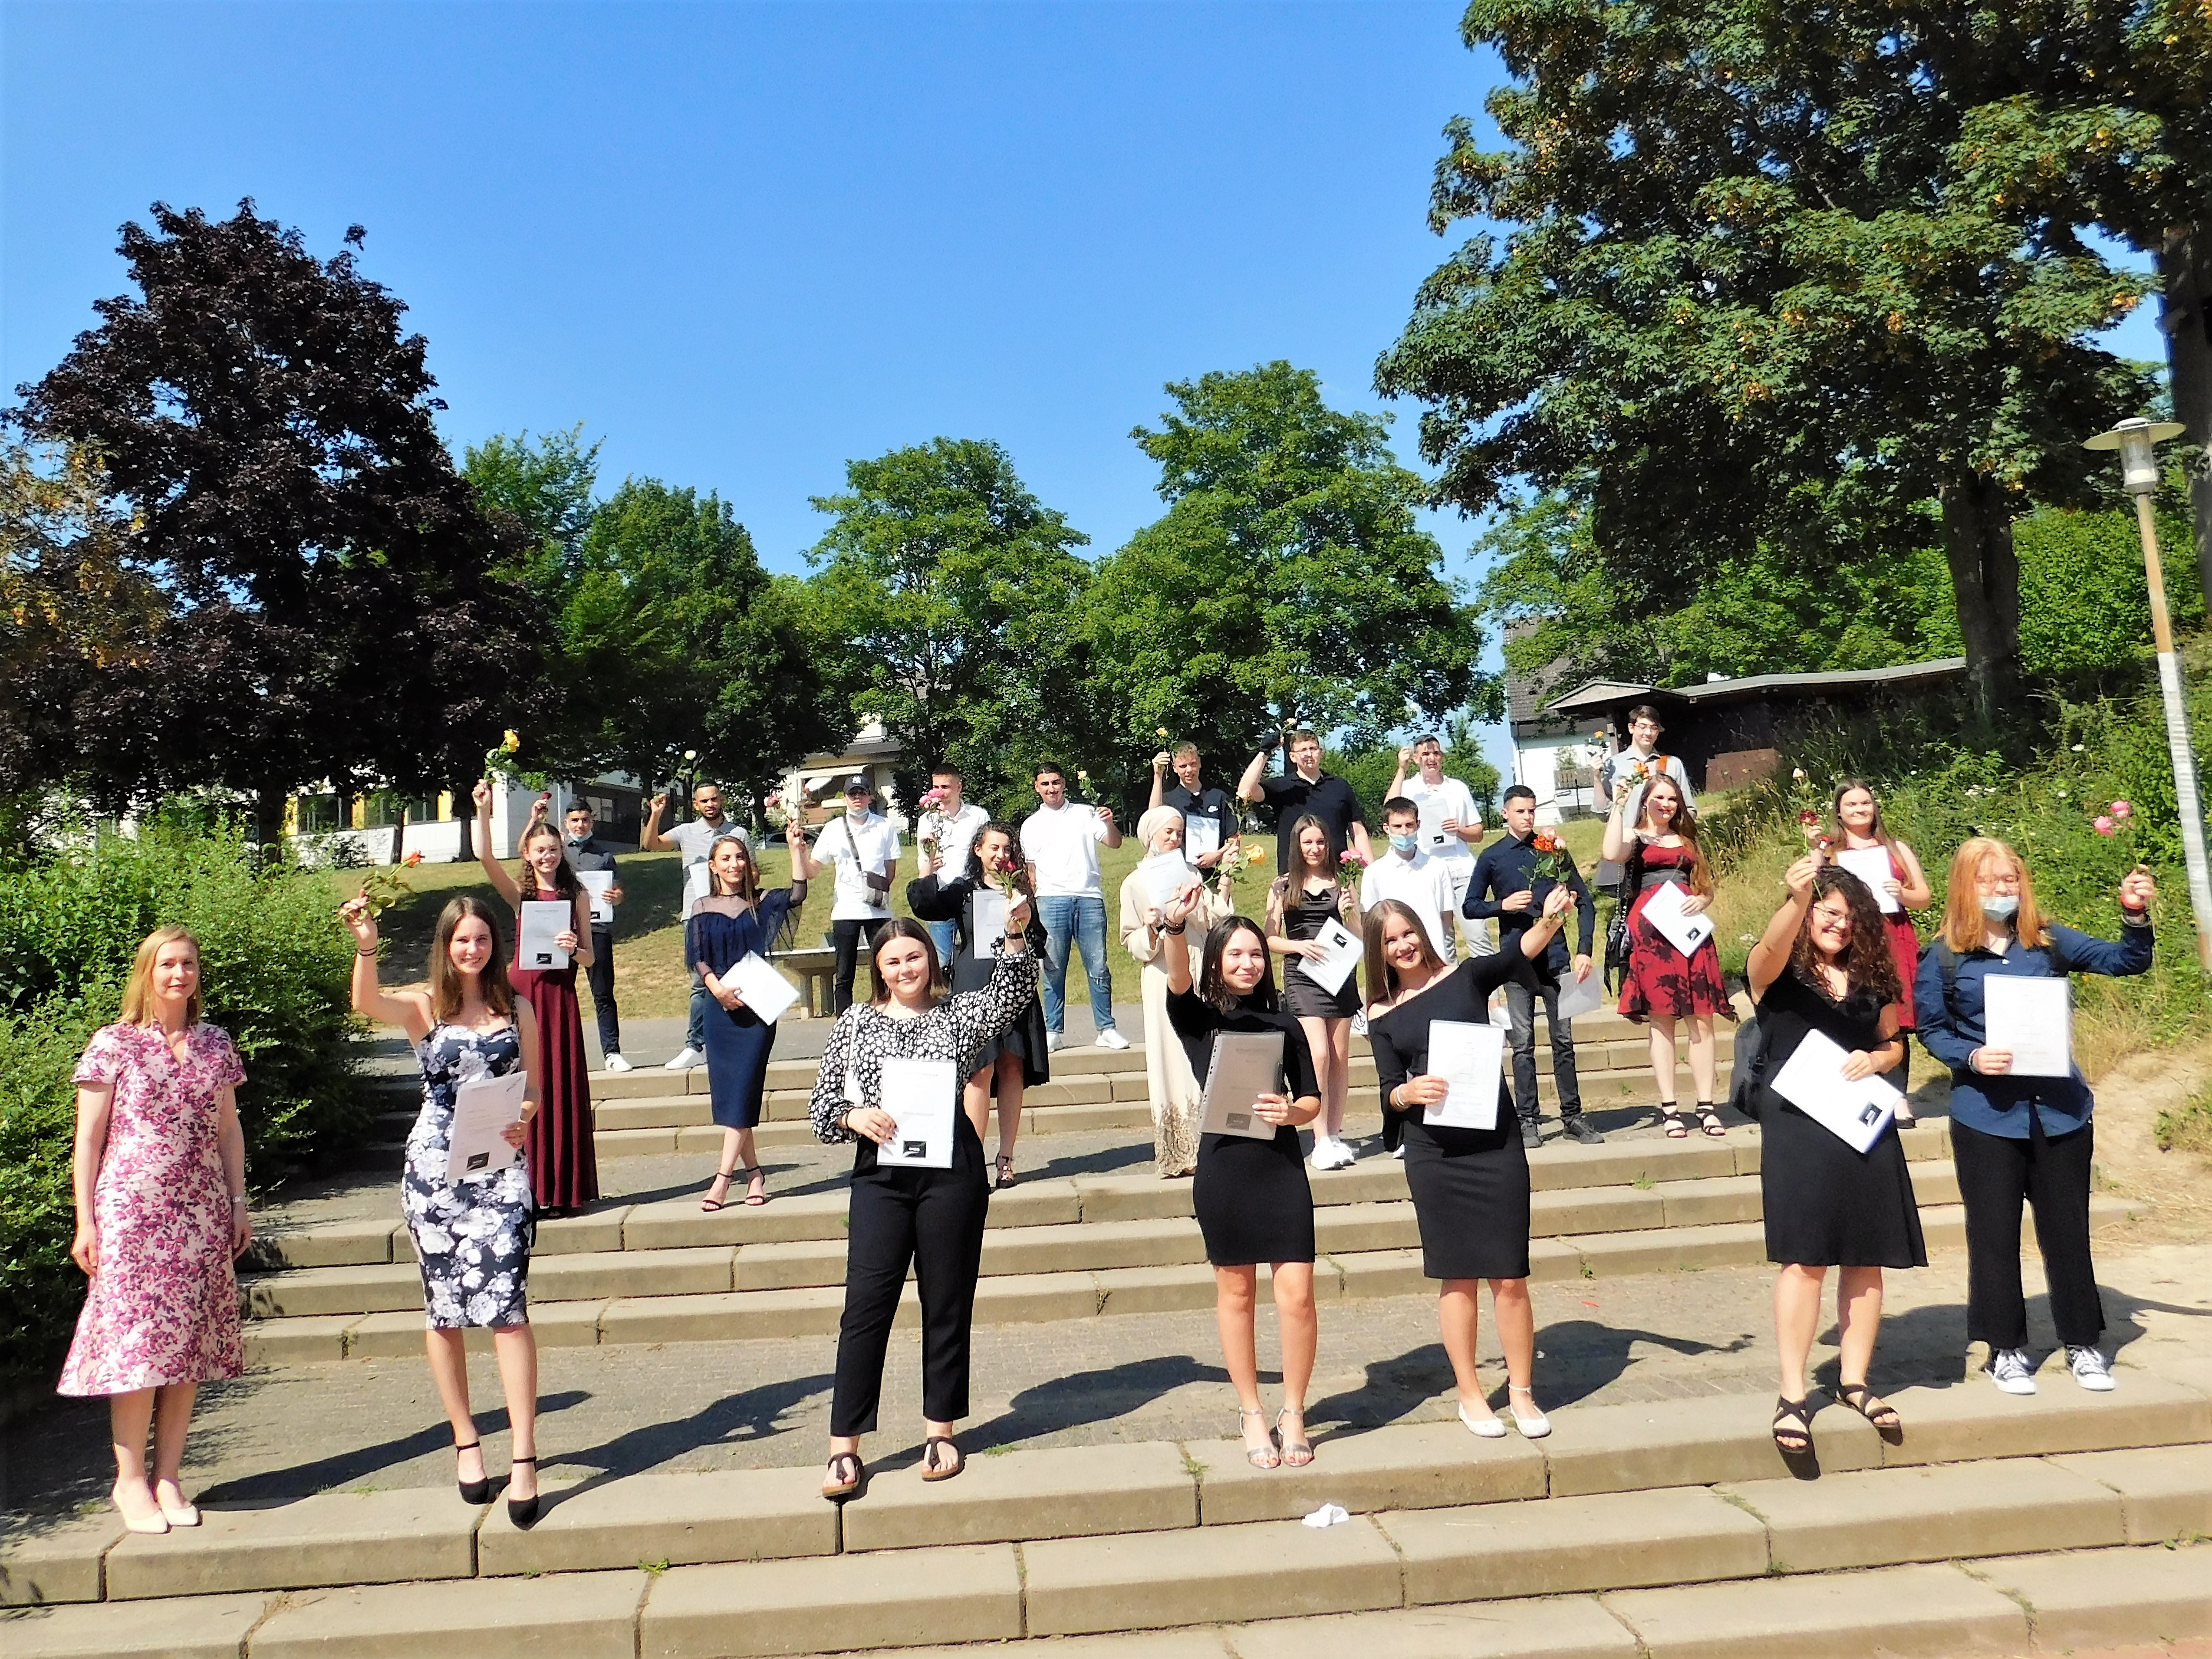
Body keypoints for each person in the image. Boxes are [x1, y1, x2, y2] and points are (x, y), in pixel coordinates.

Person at [809, 916, 1040, 1500]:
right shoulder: (856, 1022)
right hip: (881, 1175)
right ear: (878, 970)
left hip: (950, 1171)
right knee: (865, 1305)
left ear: (930, 962)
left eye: (913, 957)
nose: (904, 969)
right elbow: (822, 1104)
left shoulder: (957, 1014)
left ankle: (940, 1431)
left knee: (946, 1300)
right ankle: (844, 1445)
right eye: (892, 961)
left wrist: (1013, 936)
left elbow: (1012, 993)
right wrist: (850, 1116)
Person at [1915, 841, 2155, 1397]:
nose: (2003, 890)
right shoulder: (1945, 957)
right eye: (1990, 881)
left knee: (2068, 1233)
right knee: (1994, 1236)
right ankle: (2006, 1349)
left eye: (2011, 880)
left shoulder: (2047, 941)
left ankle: (2083, 1343)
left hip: (2061, 1115)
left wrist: (2134, 915)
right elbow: (1932, 1029)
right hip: (1987, 1117)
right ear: (1964, 887)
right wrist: (1970, 1058)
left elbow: (2127, 961)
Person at [341, 894, 545, 1527]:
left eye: (482, 938)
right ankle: (464, 1441)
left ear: (494, 944)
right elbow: (366, 1004)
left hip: (500, 1173)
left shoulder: (519, 1009)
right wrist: (367, 944)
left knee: (507, 1309)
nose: (472, 949)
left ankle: (524, 1456)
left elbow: (534, 1088)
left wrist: (526, 1118)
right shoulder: (423, 1005)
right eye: (461, 940)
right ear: (446, 944)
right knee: (446, 1311)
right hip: (435, 1173)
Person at [60, 927, 251, 1535]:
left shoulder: (215, 1043)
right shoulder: (113, 1043)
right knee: (136, 1348)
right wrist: (85, 1220)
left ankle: (170, 1475)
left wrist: (238, 1202)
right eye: (167, 963)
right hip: (132, 1214)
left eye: (189, 963)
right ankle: (130, 1481)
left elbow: (228, 1131)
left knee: (189, 1342)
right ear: (147, 971)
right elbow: (87, 1140)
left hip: (199, 1212)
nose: (179, 974)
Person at [1364, 892, 1574, 1440]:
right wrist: (1408, 1092)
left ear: (1423, 932)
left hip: (1493, 1141)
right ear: (1378, 952)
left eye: (1408, 932)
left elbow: (1517, 953)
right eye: (1390, 940)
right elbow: (1387, 1093)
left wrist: (1551, 916)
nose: (1403, 945)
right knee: (1456, 1277)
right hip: (1434, 1155)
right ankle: (1470, 1393)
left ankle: (1523, 1392)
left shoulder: (1467, 978)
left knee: (1509, 1274)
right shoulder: (1380, 1015)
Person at [1744, 859, 1921, 1455]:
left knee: (1864, 1254)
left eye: (1848, 917)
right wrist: (1795, 900)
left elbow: (1893, 1044)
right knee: (1805, 1257)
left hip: (1862, 1125)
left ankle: (1854, 1381)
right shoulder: (1782, 977)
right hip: (1799, 1127)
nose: (1837, 924)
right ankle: (1793, 1392)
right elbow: (1761, 958)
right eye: (1827, 912)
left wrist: (1877, 1061)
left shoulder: (1872, 979)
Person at [1160, 906, 1324, 1470]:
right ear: (1217, 961)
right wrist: (1177, 929)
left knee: (1299, 1295)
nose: (1248, 962)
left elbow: (1312, 1100)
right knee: (1237, 1293)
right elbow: (1177, 977)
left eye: (1256, 952)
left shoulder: (1287, 1023)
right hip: (1225, 1171)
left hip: (1279, 1168)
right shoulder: (1198, 1018)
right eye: (1235, 953)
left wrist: (1291, 1112)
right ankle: (1252, 1409)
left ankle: (1294, 1409)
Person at [475, 782, 597, 1213]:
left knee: (558, 1084)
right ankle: (523, 1185)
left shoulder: (577, 894)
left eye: (553, 849)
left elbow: (589, 957)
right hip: (522, 996)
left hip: (559, 998)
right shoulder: (521, 895)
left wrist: (573, 948)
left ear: (561, 852)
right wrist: (484, 811)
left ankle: (562, 1188)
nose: (547, 856)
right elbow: (485, 858)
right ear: (528, 854)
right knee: (522, 1084)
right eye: (540, 850)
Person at [908, 820, 1051, 1190]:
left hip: (1014, 984)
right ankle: (972, 1161)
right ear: (978, 850)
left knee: (1012, 1068)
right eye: (994, 848)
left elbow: (1038, 941)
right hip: (974, 985)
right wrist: (927, 869)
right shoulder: (963, 889)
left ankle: (1006, 1157)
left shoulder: (1019, 891)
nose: (1001, 855)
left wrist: (1026, 920)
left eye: (1007, 849)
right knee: (978, 1071)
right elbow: (927, 906)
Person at [1465, 785, 1604, 1147]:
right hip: (1516, 963)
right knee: (1523, 1043)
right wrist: (1503, 906)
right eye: (1520, 811)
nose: (1527, 818)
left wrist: (1584, 949)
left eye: (1532, 811)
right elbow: (1470, 906)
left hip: (1558, 961)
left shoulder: (1553, 851)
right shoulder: (1493, 856)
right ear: (1506, 814)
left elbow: (1585, 902)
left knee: (1565, 1041)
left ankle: (1573, 1116)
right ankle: (1528, 1120)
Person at [688, 825, 818, 1210]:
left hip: (758, 1009)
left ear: (748, 863)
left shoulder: (762, 903)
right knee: (732, 1095)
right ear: (713, 865)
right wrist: (716, 988)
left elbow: (797, 893)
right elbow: (697, 955)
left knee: (743, 1088)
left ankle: (722, 1179)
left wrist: (797, 849)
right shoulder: (701, 907)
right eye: (725, 858)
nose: (734, 863)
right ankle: (755, 1174)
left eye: (739, 857)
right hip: (719, 1008)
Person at [1600, 772, 1729, 1138]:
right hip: (1652, 933)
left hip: (1689, 932)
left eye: (1672, 799)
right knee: (1662, 1020)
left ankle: (1707, 1105)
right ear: (1646, 801)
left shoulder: (1688, 839)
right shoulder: (1635, 837)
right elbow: (1611, 854)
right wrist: (1618, 806)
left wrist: (1704, 899)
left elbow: (1706, 886)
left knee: (1701, 1017)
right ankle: (1670, 1108)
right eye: (1658, 798)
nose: (1666, 805)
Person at [1120, 805, 1235, 1177]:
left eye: (1179, 832)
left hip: (1199, 965)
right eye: (1168, 832)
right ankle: (1180, 1147)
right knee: (1172, 1052)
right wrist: (1152, 927)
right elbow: (1130, 940)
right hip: (1162, 973)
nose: (1175, 838)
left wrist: (1226, 881)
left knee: (1207, 1046)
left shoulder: (1191, 873)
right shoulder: (1135, 882)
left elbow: (1216, 918)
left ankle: (1214, 1142)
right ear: (1150, 835)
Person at [1822, 780, 1934, 1124]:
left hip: (1894, 936)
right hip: (1852, 938)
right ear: (1839, 812)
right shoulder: (1830, 852)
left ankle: (1898, 1098)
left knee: (1896, 1018)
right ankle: (1860, 1091)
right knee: (1858, 1013)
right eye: (1851, 805)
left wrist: (1902, 892)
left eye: (1865, 804)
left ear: (1875, 808)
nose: (1859, 810)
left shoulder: (1896, 848)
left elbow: (1925, 897)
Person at [1267, 814, 1363, 1171]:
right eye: (1308, 842)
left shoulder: (1344, 882)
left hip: (1339, 973)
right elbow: (1268, 938)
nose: (1315, 848)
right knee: (1318, 1054)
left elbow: (1361, 932)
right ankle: (1319, 1137)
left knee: (1339, 1057)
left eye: (1320, 842)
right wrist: (1297, 946)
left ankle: (1335, 1134)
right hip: (1302, 974)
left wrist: (1349, 913)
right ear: (1297, 845)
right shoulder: (1282, 885)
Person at [643, 781, 751, 1072]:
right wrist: (655, 814)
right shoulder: (686, 831)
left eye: (714, 799)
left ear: (722, 800)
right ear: (696, 805)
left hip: (734, 914)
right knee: (700, 983)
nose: (710, 804)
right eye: (704, 801)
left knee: (737, 978)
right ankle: (694, 1045)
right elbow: (650, 845)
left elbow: (752, 873)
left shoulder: (738, 834)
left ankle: (736, 1040)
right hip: (697, 915)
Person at [1021, 762, 1127, 1052]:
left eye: (1055, 782)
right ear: (1037, 787)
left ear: (1064, 783)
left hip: (1089, 897)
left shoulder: (1085, 813)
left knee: (1098, 965)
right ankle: (1053, 1029)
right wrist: (1031, 906)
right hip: (1051, 899)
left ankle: (1106, 1028)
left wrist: (1108, 822)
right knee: (1053, 968)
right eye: (1045, 784)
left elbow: (1115, 843)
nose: (1051, 789)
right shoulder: (1030, 825)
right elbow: (1030, 872)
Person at [1385, 734, 1490, 956]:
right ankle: (1449, 988)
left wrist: (1459, 830)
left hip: (1462, 871)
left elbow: (1478, 833)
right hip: (1428, 871)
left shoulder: (1458, 788)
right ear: (1416, 758)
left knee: (1479, 937)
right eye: (1425, 754)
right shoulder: (1410, 787)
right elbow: (1389, 809)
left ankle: (1488, 990)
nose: (1431, 759)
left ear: (1442, 757)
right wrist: (1401, 769)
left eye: (1436, 753)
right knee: (1441, 943)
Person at [555, 800, 631, 1072]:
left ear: (592, 822)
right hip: (563, 933)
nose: (580, 825)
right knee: (562, 994)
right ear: (566, 823)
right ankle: (559, 1055)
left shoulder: (604, 855)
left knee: (603, 994)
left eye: (585, 820)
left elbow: (618, 891)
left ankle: (612, 1053)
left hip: (597, 931)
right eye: (575, 820)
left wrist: (617, 896)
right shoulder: (557, 853)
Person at [817, 776, 903, 1015]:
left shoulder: (884, 826)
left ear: (870, 796)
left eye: (862, 793)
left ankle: (887, 1014)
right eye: (852, 794)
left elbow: (891, 869)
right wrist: (798, 849)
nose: (858, 798)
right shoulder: (833, 829)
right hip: (846, 910)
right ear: (845, 797)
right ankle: (844, 1022)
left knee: (885, 968)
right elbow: (814, 867)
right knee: (845, 972)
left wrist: (875, 890)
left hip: (878, 909)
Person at [1238, 729, 1373, 874]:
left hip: (1336, 876)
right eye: (1302, 750)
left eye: (1313, 748)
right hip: (1294, 878)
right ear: (1293, 757)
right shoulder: (1282, 787)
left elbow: (1358, 832)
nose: (1309, 754)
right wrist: (1264, 753)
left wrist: (1372, 871)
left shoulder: (1340, 786)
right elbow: (1245, 791)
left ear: (1320, 752)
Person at [1360, 797, 1466, 963]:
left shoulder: (1437, 867)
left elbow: (1447, 919)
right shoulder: (1374, 873)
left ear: (1418, 825)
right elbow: (1369, 923)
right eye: (1397, 826)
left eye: (1409, 825)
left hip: (1435, 957)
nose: (1404, 832)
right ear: (1386, 828)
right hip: (1397, 960)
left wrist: (1449, 961)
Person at [916, 766, 990, 967]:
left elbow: (989, 855)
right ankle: (946, 998)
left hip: (972, 894)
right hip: (940, 894)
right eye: (935, 787)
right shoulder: (927, 820)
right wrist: (930, 864)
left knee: (978, 955)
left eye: (946, 787)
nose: (940, 792)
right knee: (941, 960)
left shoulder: (978, 816)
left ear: (959, 787)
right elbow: (923, 859)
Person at [1150, 742, 1241, 877]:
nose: (1189, 770)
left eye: (1193, 764)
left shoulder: (1218, 797)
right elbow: (1152, 819)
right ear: (1174, 768)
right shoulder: (1169, 800)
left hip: (1215, 876)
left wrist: (1216, 855)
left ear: (1199, 763)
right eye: (1183, 766)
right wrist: (1158, 776)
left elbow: (1234, 838)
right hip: (1179, 875)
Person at [1597, 705, 1696, 827]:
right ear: (1631, 728)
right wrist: (1596, 778)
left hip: (1663, 841)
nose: (1648, 733)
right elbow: (1603, 813)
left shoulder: (1672, 764)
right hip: (1628, 840)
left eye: (1654, 728)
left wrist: (1676, 835)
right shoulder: (1614, 765)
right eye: (1643, 727)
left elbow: (1689, 809)